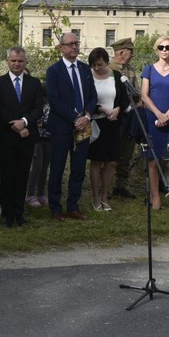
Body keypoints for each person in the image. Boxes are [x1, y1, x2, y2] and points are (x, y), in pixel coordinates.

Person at [46, 32, 98, 221]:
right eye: (70, 44)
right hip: (61, 127)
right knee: (58, 169)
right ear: (61, 48)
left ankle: (73, 206)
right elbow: (54, 99)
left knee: (78, 169)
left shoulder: (85, 70)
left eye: (76, 43)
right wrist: (75, 117)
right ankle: (55, 208)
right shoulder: (54, 71)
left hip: (83, 127)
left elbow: (93, 96)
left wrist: (87, 116)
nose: (74, 47)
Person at [0, 46, 43, 227]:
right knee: (7, 176)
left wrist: (25, 122)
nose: (17, 64)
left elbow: (38, 108)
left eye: (20, 61)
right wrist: (16, 126)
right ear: (7, 61)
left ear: (25, 62)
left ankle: (19, 213)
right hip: (7, 137)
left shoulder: (34, 83)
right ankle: (6, 214)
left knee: (22, 176)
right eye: (13, 60)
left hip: (27, 137)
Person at [140, 35, 169, 210]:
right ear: (157, 49)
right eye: (161, 47)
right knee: (152, 159)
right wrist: (158, 114)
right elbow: (144, 94)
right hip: (151, 117)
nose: (164, 50)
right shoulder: (148, 69)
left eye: (168, 47)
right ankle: (155, 197)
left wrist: (167, 115)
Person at [87, 47, 129, 211]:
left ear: (106, 62)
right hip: (96, 122)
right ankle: (95, 197)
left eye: (100, 64)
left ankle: (105, 196)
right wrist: (100, 109)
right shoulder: (88, 78)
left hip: (113, 123)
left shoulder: (117, 77)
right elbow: (86, 100)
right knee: (96, 161)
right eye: (94, 65)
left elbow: (124, 99)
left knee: (111, 162)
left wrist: (118, 109)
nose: (97, 68)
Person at [109, 37, 139, 199]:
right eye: (131, 51)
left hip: (130, 116)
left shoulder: (130, 70)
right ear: (121, 52)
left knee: (126, 151)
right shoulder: (108, 69)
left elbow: (137, 92)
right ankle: (105, 185)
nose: (133, 55)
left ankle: (121, 185)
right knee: (110, 152)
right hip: (113, 117)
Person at [25, 85, 50, 208]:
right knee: (37, 165)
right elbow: (37, 121)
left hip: (49, 138)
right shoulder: (39, 105)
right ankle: (30, 194)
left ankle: (40, 193)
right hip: (37, 138)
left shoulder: (52, 105)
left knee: (45, 166)